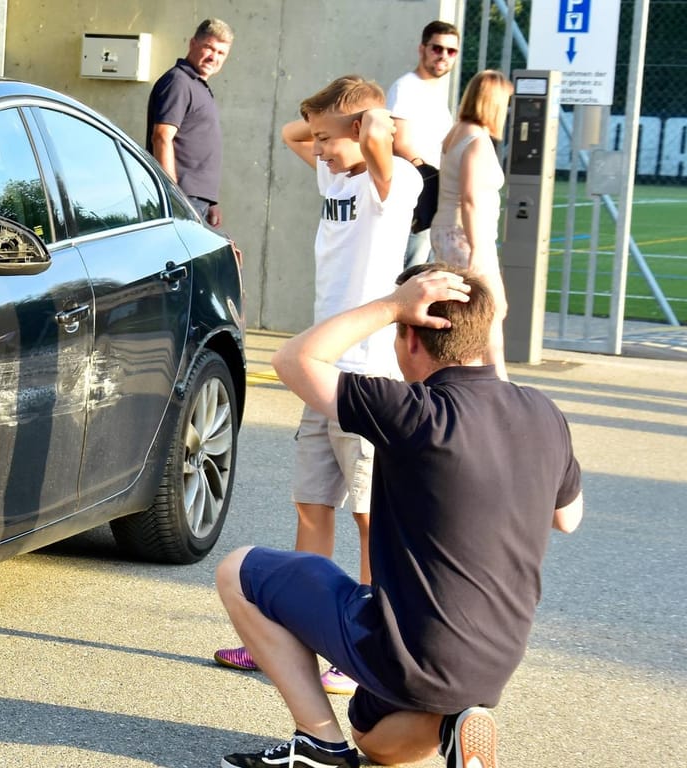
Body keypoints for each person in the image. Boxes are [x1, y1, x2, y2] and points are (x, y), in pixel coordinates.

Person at [213, 264, 584, 768]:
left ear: (411, 336)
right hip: (492, 664)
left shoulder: (412, 411)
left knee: (238, 570)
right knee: (375, 740)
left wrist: (391, 304)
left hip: (414, 650)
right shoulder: (543, 414)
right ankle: (455, 722)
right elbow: (568, 518)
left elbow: (292, 358)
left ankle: (318, 742)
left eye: (397, 328)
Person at [214, 75, 420, 697]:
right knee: (312, 505)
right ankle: (301, 637)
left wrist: (374, 125)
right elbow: (291, 129)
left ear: (362, 131)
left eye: (331, 139)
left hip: (367, 373)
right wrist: (338, 124)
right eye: (321, 140)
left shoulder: (398, 184)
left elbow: (377, 136)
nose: (319, 148)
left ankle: (361, 649)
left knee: (367, 516)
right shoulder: (336, 175)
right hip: (322, 369)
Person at [431, 70, 515, 379]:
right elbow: (470, 198)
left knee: (468, 312)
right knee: (491, 310)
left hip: (450, 231)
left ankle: (479, 378)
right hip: (467, 236)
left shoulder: (456, 133)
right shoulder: (477, 141)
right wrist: (479, 249)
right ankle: (498, 380)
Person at [387, 20, 461, 267]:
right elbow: (400, 143)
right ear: (422, 49)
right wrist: (431, 178)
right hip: (417, 192)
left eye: (451, 51)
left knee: (427, 268)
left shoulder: (435, 91)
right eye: (437, 48)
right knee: (411, 270)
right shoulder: (406, 88)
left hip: (435, 191)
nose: (443, 56)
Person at [146, 18, 232, 228]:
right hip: (181, 198)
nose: (214, 57)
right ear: (193, 44)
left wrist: (210, 201)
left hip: (195, 199)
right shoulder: (179, 82)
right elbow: (162, 136)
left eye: (221, 53)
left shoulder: (197, 85)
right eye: (209, 48)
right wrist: (173, 196)